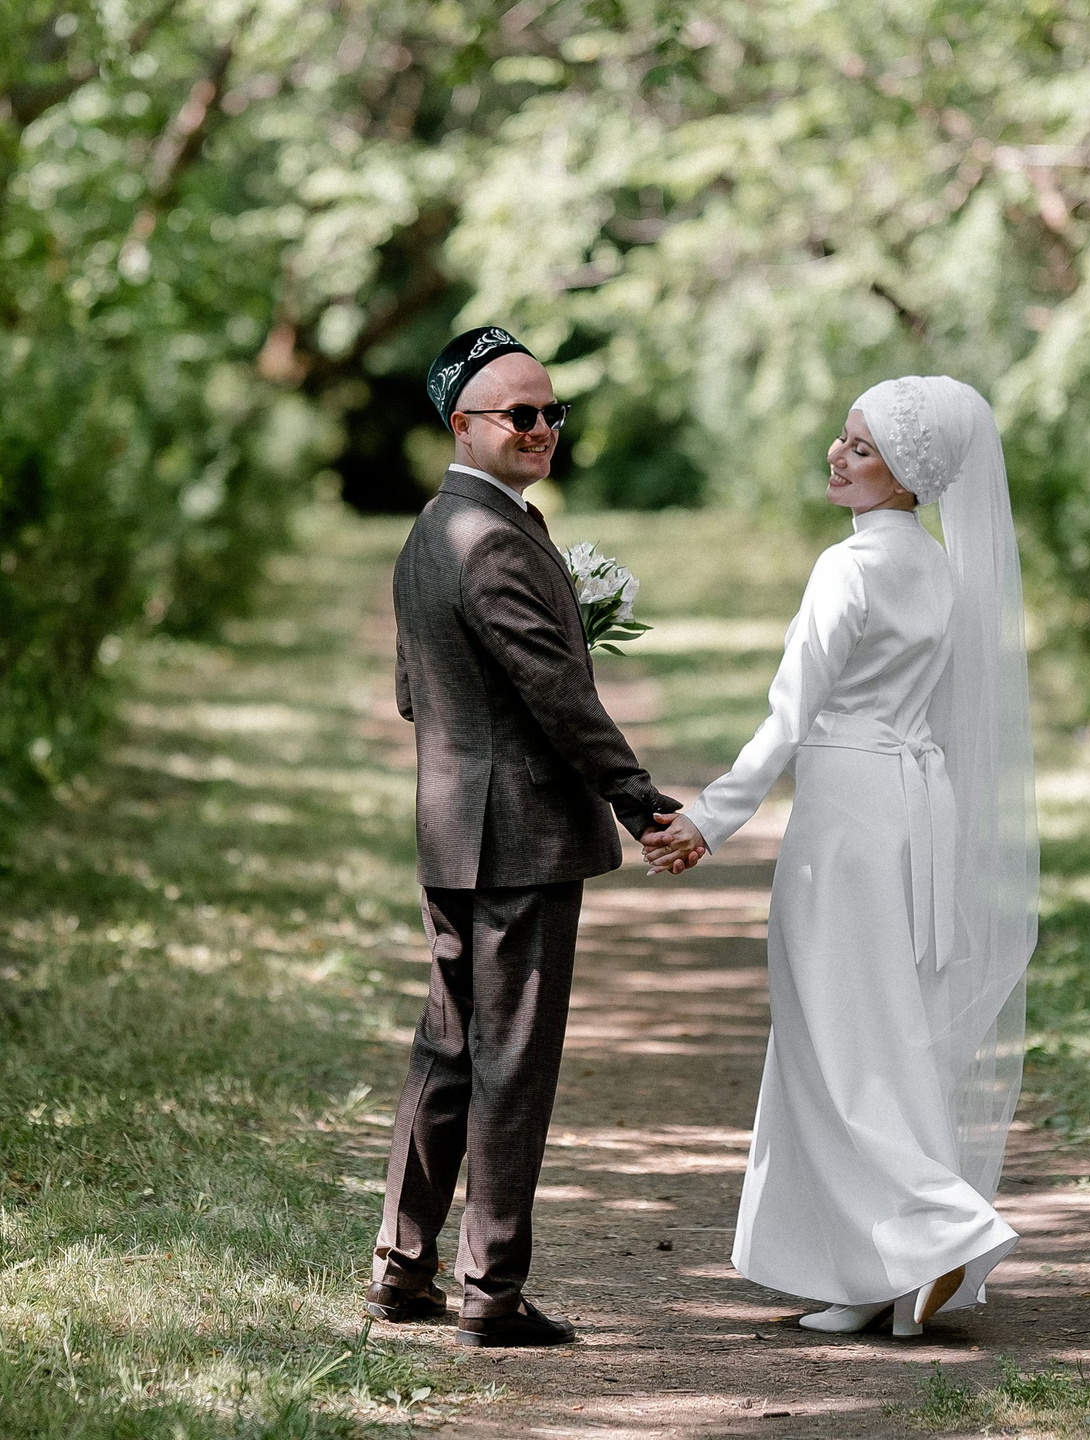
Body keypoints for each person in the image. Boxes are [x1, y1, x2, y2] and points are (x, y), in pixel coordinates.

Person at [641, 375, 1040, 1337]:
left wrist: (711, 817)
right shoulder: (942, 571)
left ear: (905, 473)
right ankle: (869, 1269)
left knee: (832, 1035)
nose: (838, 453)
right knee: (885, 1031)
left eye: (861, 447)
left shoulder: (848, 568)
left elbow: (793, 711)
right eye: (844, 437)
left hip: (850, 814)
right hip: (919, 810)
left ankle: (945, 1230)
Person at [367, 325, 681, 1349]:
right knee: (510, 1061)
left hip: (452, 824)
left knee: (449, 1051)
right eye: (521, 414)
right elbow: (553, 689)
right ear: (463, 424)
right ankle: (491, 1294)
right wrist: (638, 800)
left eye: (553, 411)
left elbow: (416, 692)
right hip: (518, 840)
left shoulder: (430, 533)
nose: (544, 428)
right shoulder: (492, 536)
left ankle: (401, 1271)